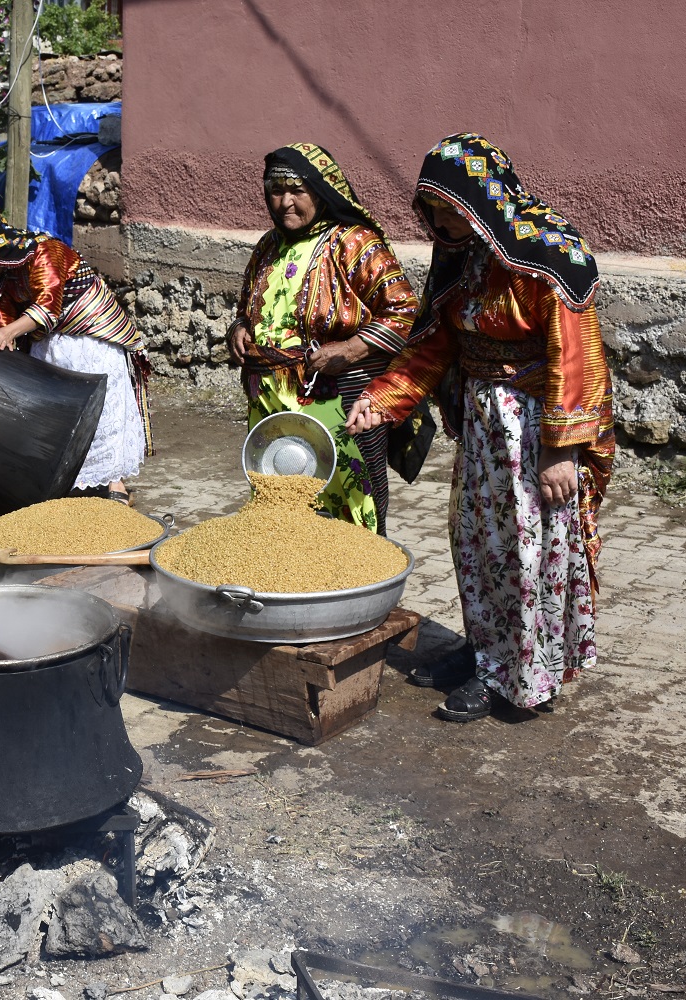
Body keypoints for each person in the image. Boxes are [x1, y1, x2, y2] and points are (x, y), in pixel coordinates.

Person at [347, 133, 615, 722]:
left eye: (452, 207)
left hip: (531, 430)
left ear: (483, 200)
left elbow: (577, 355)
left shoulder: (549, 253)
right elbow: (433, 345)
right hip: (482, 427)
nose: (440, 220)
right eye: (432, 208)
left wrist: (561, 450)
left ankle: (520, 676)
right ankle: (488, 652)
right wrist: (382, 399)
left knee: (523, 549)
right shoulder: (460, 256)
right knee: (477, 544)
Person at [227, 143, 420, 534]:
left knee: (351, 498)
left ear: (321, 191)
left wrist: (350, 349)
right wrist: (240, 327)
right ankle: (293, 583)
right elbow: (250, 305)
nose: (284, 203)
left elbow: (404, 311)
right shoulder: (268, 245)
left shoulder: (354, 243)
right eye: (275, 191)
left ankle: (361, 585)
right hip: (271, 404)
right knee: (280, 497)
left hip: (339, 397)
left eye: (297, 190)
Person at [0, 204, 150, 504]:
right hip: (51, 342)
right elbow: (1, 325)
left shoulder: (46, 251)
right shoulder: (3, 279)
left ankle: (115, 484)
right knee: (58, 415)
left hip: (91, 335)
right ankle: (69, 482)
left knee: (103, 408)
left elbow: (47, 306)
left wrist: (9, 333)